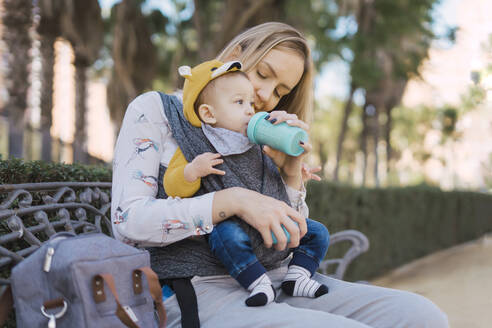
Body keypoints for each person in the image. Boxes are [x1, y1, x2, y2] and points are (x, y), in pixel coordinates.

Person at [111, 22, 449, 327]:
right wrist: (232, 201)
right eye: (263, 74)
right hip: (195, 287)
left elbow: (287, 235)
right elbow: (127, 222)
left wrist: (289, 173)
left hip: (277, 278)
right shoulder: (156, 110)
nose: (264, 97)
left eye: (279, 91)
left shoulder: (258, 132)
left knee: (421, 316)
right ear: (233, 56)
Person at [162, 59, 330, 307]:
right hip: (233, 227)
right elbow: (171, 186)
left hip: (267, 230)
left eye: (250, 103)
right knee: (224, 235)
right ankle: (256, 282)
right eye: (240, 103)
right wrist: (191, 171)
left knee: (316, 231)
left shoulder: (255, 143)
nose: (251, 109)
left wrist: (293, 167)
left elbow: (272, 186)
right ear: (209, 113)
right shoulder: (197, 143)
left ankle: (298, 275)